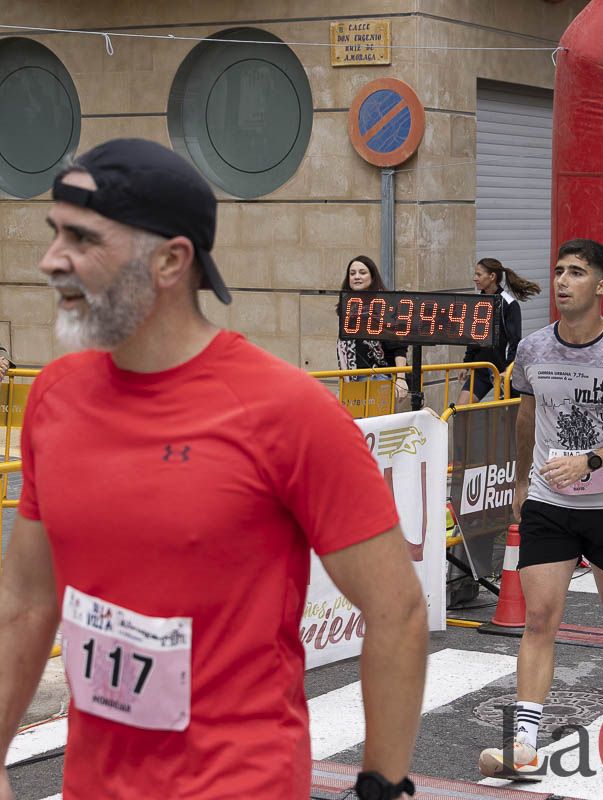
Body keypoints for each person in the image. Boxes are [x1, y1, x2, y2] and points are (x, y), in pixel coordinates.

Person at [0, 139, 428, 800]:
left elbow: (396, 608)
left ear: (171, 260)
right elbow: (27, 602)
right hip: (93, 784)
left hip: (238, 781)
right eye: (55, 233)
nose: (51, 261)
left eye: (82, 239)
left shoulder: (288, 410)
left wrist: (381, 783)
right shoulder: (55, 395)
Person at [477, 239, 603, 779]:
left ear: (602, 286)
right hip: (549, 500)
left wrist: (592, 460)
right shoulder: (534, 348)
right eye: (558, 271)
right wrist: (519, 482)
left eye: (577, 272)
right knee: (539, 618)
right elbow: (524, 418)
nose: (562, 281)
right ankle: (524, 743)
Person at [455, 258, 541, 406]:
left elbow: (515, 341)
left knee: (510, 416)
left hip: (503, 371)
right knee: (461, 410)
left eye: (479, 274)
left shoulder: (509, 304)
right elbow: (473, 338)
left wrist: (507, 371)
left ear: (492, 276)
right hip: (482, 369)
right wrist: (466, 364)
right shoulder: (476, 302)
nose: (475, 278)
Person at [337, 255, 411, 405]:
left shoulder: (384, 305)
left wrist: (401, 378)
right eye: (352, 273)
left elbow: (399, 346)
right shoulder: (347, 306)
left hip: (379, 377)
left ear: (372, 276)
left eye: (362, 272)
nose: (357, 277)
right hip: (352, 379)